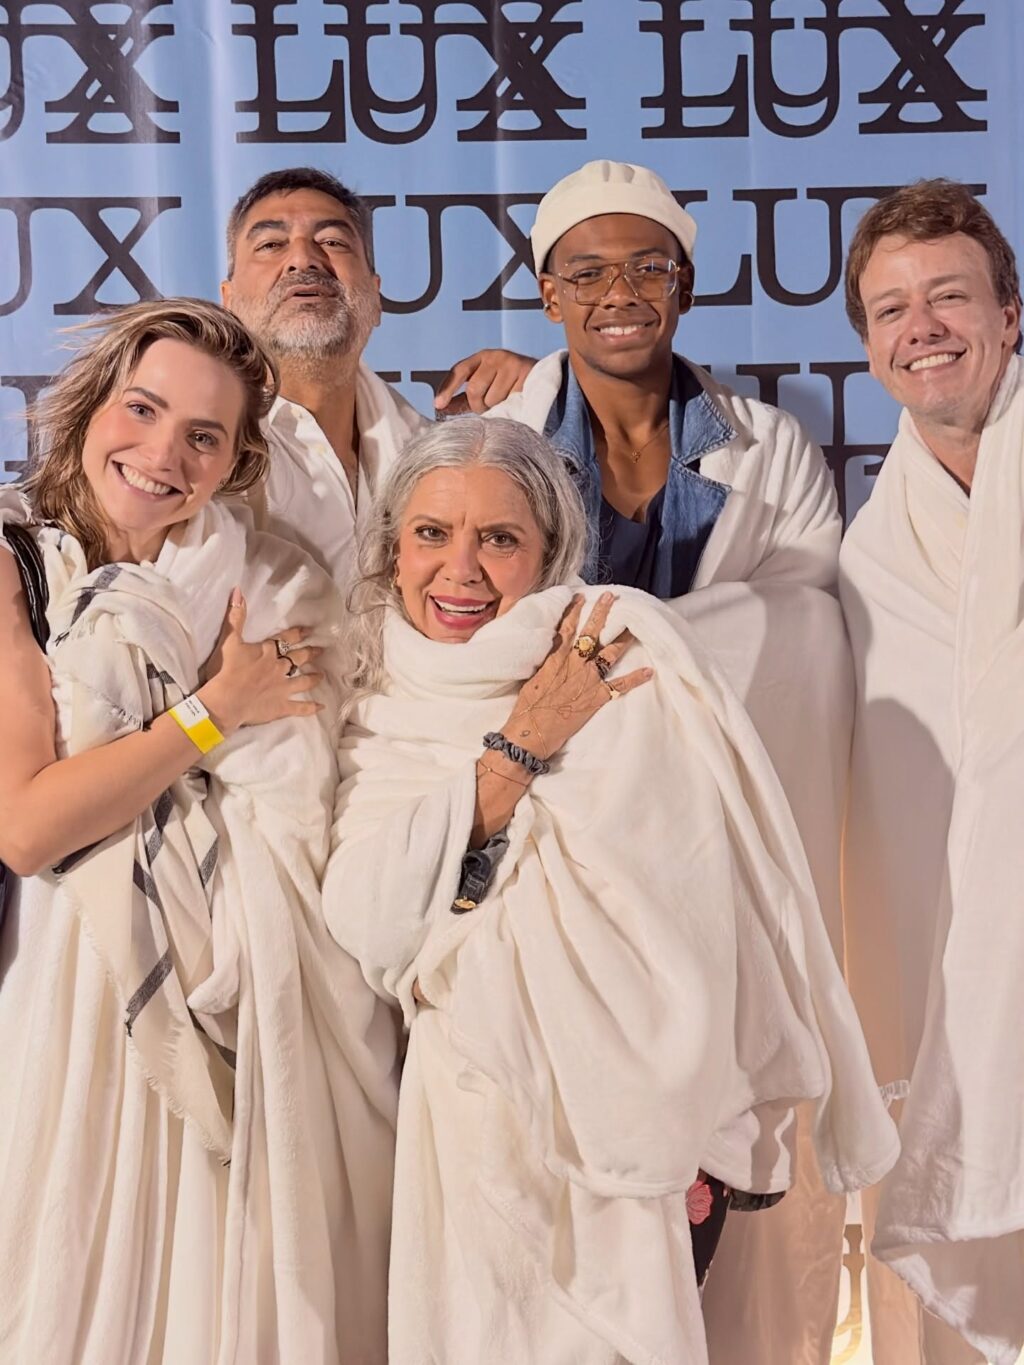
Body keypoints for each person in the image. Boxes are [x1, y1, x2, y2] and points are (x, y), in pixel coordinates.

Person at [323, 415, 898, 1365]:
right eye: (432, 533)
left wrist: (454, 885)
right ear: (393, 549)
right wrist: (519, 749)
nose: (460, 569)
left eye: (498, 538)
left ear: (549, 551)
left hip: (643, 1134)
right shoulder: (380, 695)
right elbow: (370, 920)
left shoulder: (620, 657)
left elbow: (687, 917)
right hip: (464, 1130)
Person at [488, 158, 854, 1358]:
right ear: (549, 294)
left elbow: (804, 626)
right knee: (575, 1180)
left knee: (718, 1174)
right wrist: (670, 655)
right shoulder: (495, 443)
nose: (620, 294)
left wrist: (622, 649)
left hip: (721, 850)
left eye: (647, 267)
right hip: (563, 853)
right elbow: (483, 637)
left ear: (685, 286)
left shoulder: (769, 445)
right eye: (587, 272)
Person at [0, 299, 396, 1364]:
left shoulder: (265, 579)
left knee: (197, 1296)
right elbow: (27, 825)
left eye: (203, 437)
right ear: (92, 404)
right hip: (57, 971)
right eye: (141, 409)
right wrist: (212, 712)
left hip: (219, 980)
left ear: (235, 462)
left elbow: (301, 790)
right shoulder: (15, 559)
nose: (162, 454)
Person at [840, 179, 1024, 1365]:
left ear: (1009, 314)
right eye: (891, 310)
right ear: (868, 348)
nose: (923, 329)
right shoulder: (869, 550)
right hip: (949, 964)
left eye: (948, 297)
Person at [220, 166, 533, 587]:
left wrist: (549, 396)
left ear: (376, 295)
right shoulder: (197, 451)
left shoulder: (436, 456)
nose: (303, 259)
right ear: (228, 301)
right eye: (271, 244)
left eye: (332, 242)